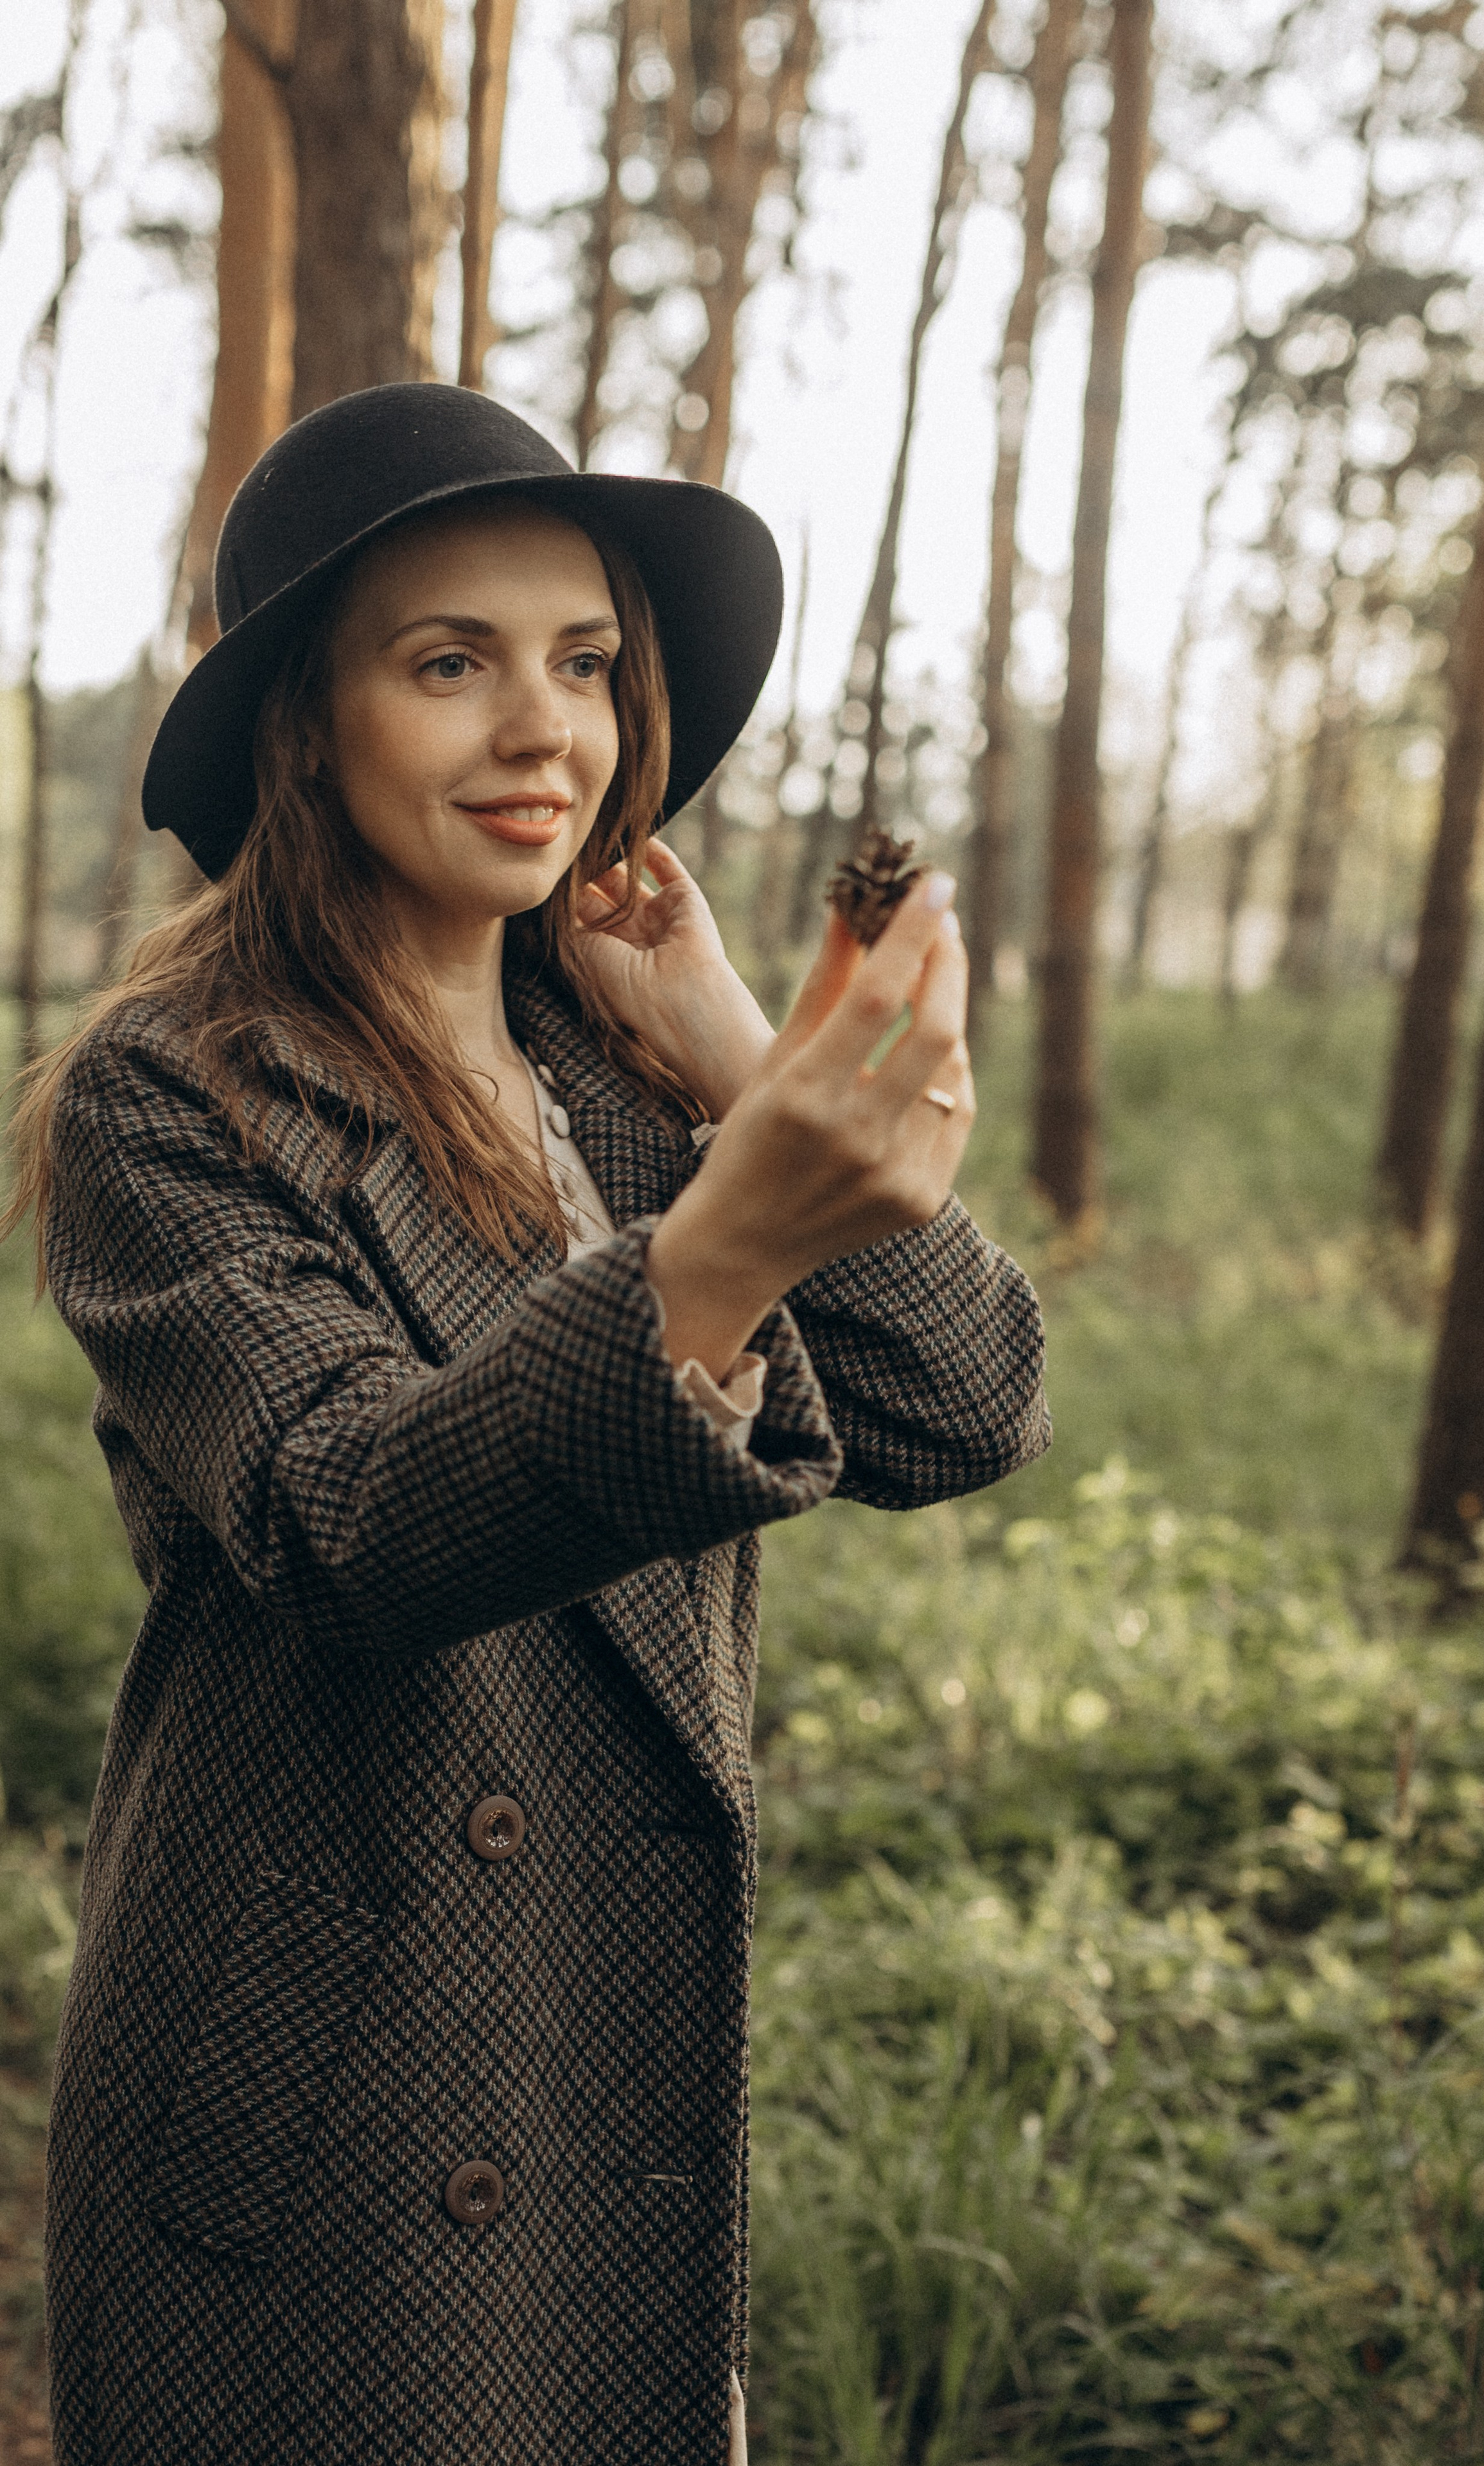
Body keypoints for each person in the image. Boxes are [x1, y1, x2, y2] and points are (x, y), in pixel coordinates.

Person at [6, 383, 1049, 2465]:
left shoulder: (624, 1080)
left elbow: (966, 1402)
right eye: (448, 664)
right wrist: (717, 1258)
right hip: (330, 2100)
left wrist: (740, 1058)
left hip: (601, 2047)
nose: (542, 732)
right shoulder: (175, 1093)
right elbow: (351, 1518)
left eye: (582, 663)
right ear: (308, 724)